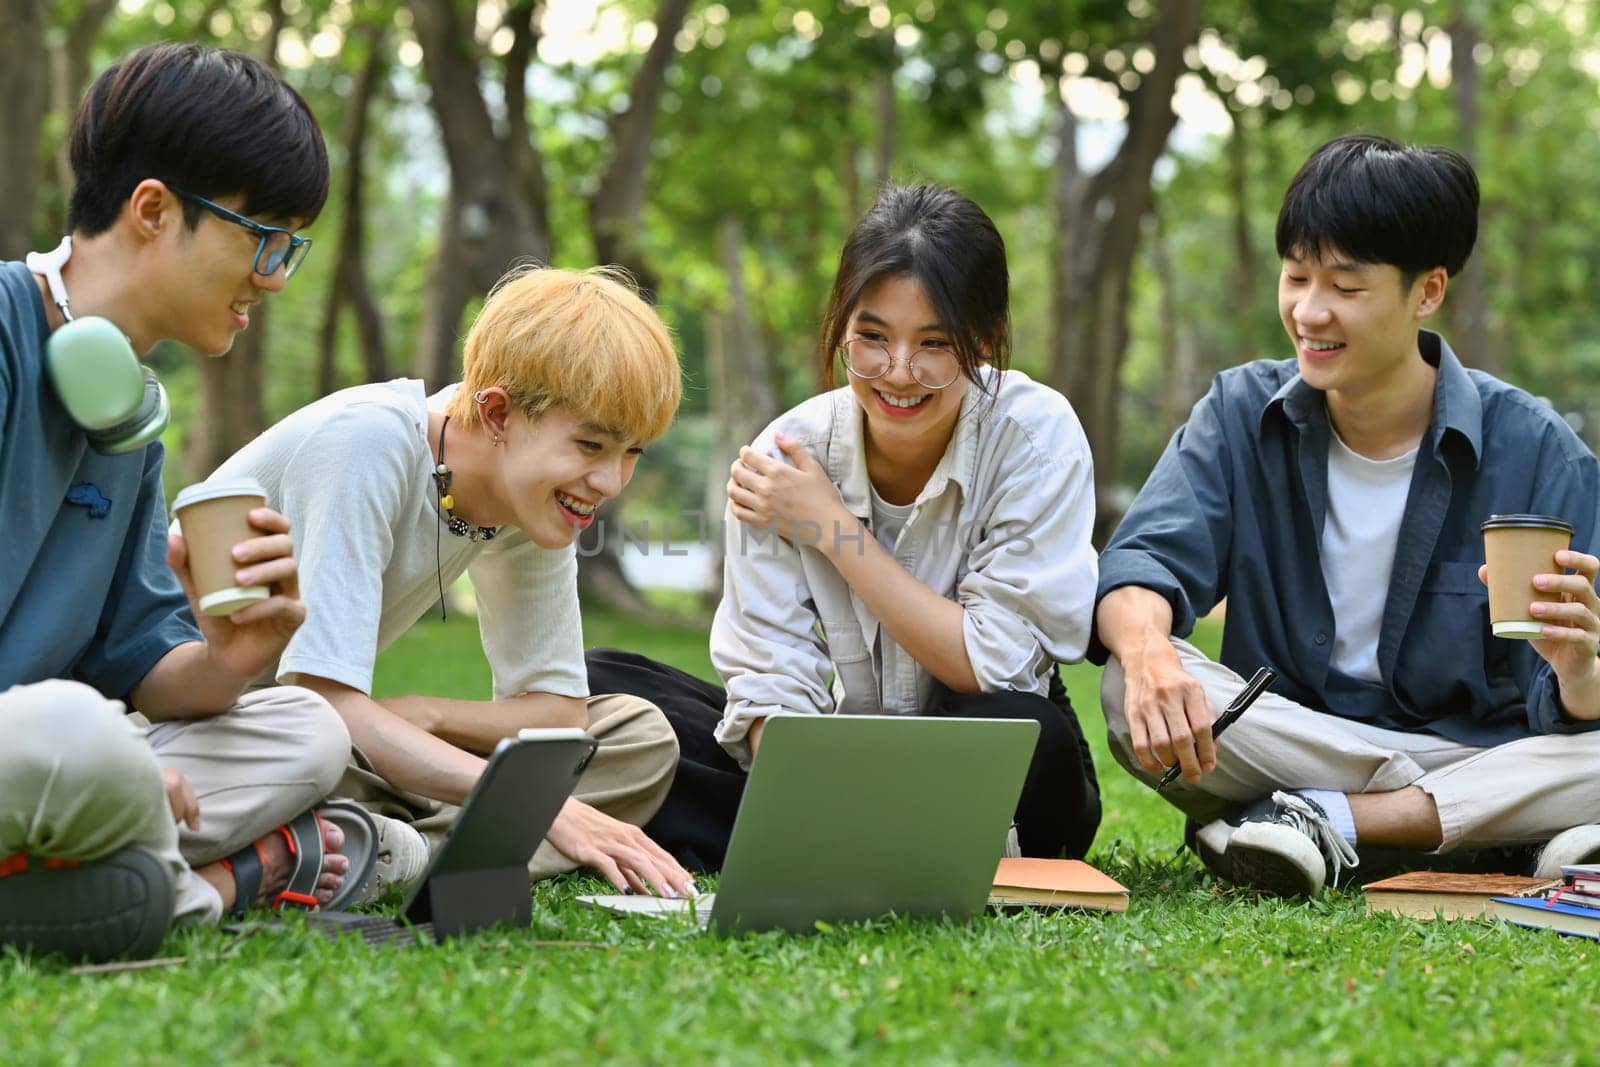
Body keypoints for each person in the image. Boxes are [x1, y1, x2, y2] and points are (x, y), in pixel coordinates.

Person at [1094, 133, 1600, 897]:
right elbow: (1139, 567)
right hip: (1314, 739)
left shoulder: (1539, 451)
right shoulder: (1238, 414)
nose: (1309, 310)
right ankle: (1485, 829)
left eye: (1346, 287)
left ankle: (1329, 819)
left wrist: (1580, 672)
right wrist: (1147, 650)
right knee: (1126, 691)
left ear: (1427, 291)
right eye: (1295, 276)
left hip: (1469, 748)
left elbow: (1578, 708)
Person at [588, 184, 1102, 871]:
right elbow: (772, 685)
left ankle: (812, 837)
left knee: (1021, 730)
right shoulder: (783, 457)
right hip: (833, 751)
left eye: (934, 343)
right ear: (842, 325)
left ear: (982, 342)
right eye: (872, 337)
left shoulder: (1036, 439)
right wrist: (819, 784)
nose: (898, 372)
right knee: (606, 682)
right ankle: (876, 835)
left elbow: (993, 664)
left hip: (992, 754)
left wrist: (835, 529)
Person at [0, 43, 355, 962]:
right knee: (73, 732)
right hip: (41, 747)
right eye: (261, 238)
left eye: (290, 247)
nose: (273, 278)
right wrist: (118, 761)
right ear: (153, 210)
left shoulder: (133, 418)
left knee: (309, 731)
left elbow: (145, 661)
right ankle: (208, 887)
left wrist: (234, 658)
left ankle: (94, 874)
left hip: (53, 768)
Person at [201, 265, 695, 898]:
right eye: (590, 445)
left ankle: (383, 848)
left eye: (632, 453)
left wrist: (427, 717)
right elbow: (317, 703)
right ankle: (412, 843)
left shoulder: (533, 498)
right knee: (321, 743)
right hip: (220, 731)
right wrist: (556, 810)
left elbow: (557, 715)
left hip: (338, 746)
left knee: (638, 736)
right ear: (496, 413)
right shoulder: (368, 444)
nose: (610, 482)